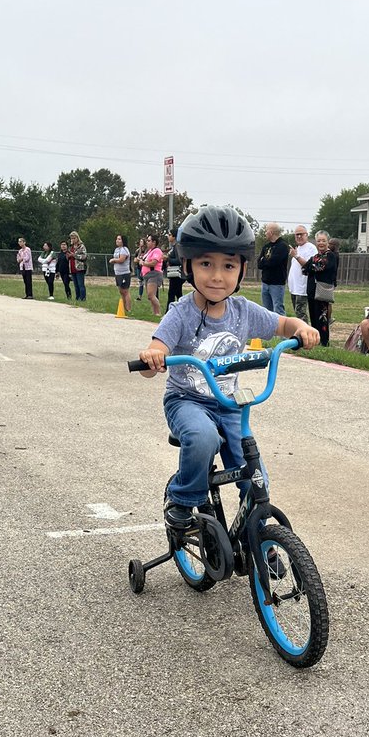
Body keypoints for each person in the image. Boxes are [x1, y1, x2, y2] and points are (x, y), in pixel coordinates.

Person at [137, 205, 318, 530]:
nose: (217, 276)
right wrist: (153, 357)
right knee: (204, 438)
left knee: (255, 468)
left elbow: (283, 323)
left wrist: (300, 328)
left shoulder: (243, 311)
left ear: (241, 270)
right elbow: (157, 351)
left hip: (230, 404)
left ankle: (257, 536)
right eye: (206, 264)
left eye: (228, 265)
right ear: (190, 265)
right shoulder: (180, 314)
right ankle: (182, 499)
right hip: (187, 401)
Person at [297, 230, 337, 347]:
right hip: (311, 291)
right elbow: (305, 269)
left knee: (322, 318)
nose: (321, 243)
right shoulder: (315, 256)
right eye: (319, 240)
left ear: (328, 242)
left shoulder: (330, 256)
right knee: (313, 317)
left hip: (322, 291)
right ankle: (315, 341)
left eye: (323, 240)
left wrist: (311, 266)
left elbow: (320, 266)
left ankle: (324, 343)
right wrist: (311, 266)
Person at [257, 223, 290, 316]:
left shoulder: (282, 246)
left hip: (277, 284)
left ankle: (282, 329)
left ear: (271, 232)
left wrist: (265, 261)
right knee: (266, 311)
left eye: (266, 230)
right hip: (265, 282)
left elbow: (274, 262)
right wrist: (266, 261)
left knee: (278, 309)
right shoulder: (266, 246)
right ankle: (269, 330)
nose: (265, 233)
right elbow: (259, 263)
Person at [286, 224, 316, 322]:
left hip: (302, 288)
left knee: (301, 314)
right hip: (294, 288)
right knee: (297, 312)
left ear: (306, 235)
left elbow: (309, 265)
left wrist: (296, 256)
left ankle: (305, 335)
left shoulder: (311, 248)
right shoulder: (297, 248)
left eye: (301, 234)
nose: (299, 236)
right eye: (296, 235)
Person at [141, 234, 164, 317]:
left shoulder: (157, 251)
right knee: (149, 296)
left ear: (154, 242)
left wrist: (143, 263)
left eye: (149, 240)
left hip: (154, 274)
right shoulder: (149, 251)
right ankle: (154, 313)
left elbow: (153, 262)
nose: (147, 242)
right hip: (147, 275)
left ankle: (158, 313)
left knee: (151, 295)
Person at [110, 233, 133, 313]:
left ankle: (128, 309)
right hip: (118, 273)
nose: (117, 240)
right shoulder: (117, 249)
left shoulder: (124, 249)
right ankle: (123, 308)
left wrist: (113, 260)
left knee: (125, 291)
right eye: (117, 239)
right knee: (121, 291)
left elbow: (121, 260)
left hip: (124, 273)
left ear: (123, 241)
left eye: (119, 239)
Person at [164, 229, 185, 310]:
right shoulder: (174, 246)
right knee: (178, 294)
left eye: (169, 235)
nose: (168, 237)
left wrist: (168, 258)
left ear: (174, 236)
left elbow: (179, 261)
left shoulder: (177, 246)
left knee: (171, 294)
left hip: (177, 274)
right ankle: (184, 310)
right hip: (174, 274)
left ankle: (168, 313)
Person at [69, 231, 87, 301]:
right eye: (71, 238)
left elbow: (84, 256)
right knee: (76, 285)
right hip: (72, 267)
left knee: (80, 284)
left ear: (77, 238)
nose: (73, 240)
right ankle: (77, 298)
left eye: (74, 238)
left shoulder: (81, 246)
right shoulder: (71, 247)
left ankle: (82, 298)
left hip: (79, 268)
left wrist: (74, 255)